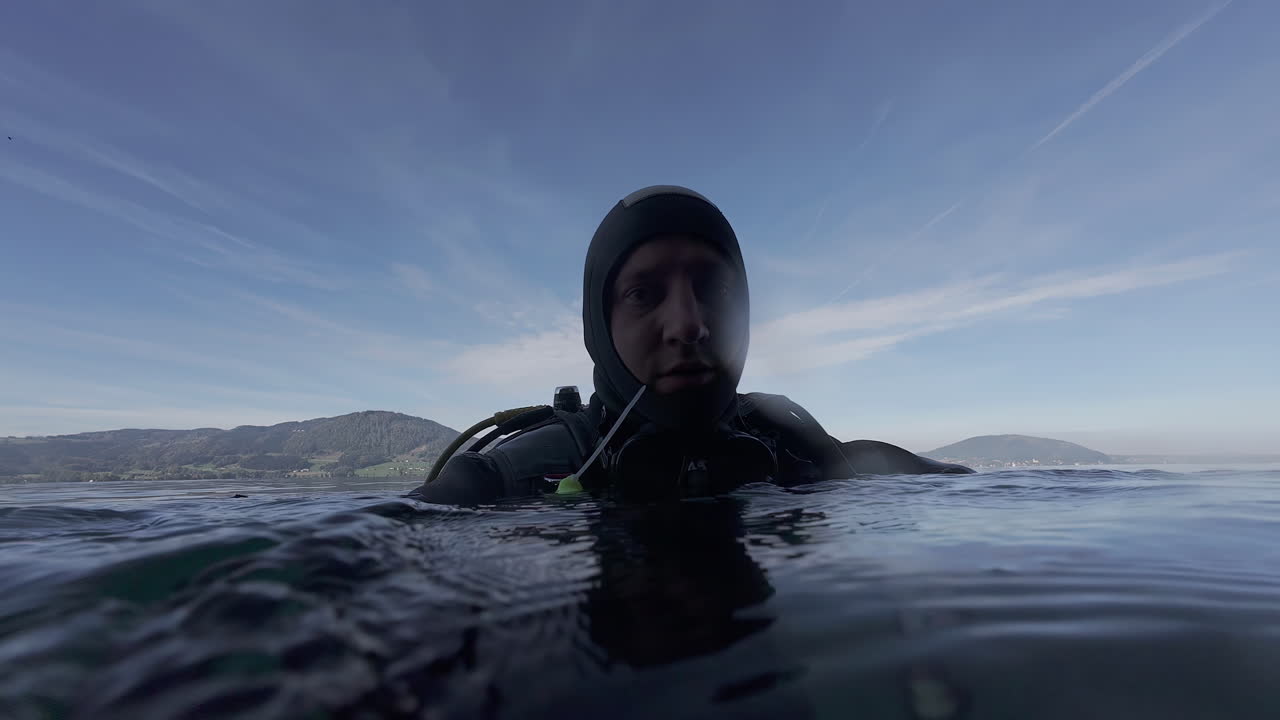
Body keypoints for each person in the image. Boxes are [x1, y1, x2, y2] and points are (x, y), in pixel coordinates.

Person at [409, 185, 971, 505]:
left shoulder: (788, 441)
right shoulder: (512, 475)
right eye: (643, 293)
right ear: (597, 327)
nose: (689, 324)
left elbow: (944, 483)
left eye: (715, 289)